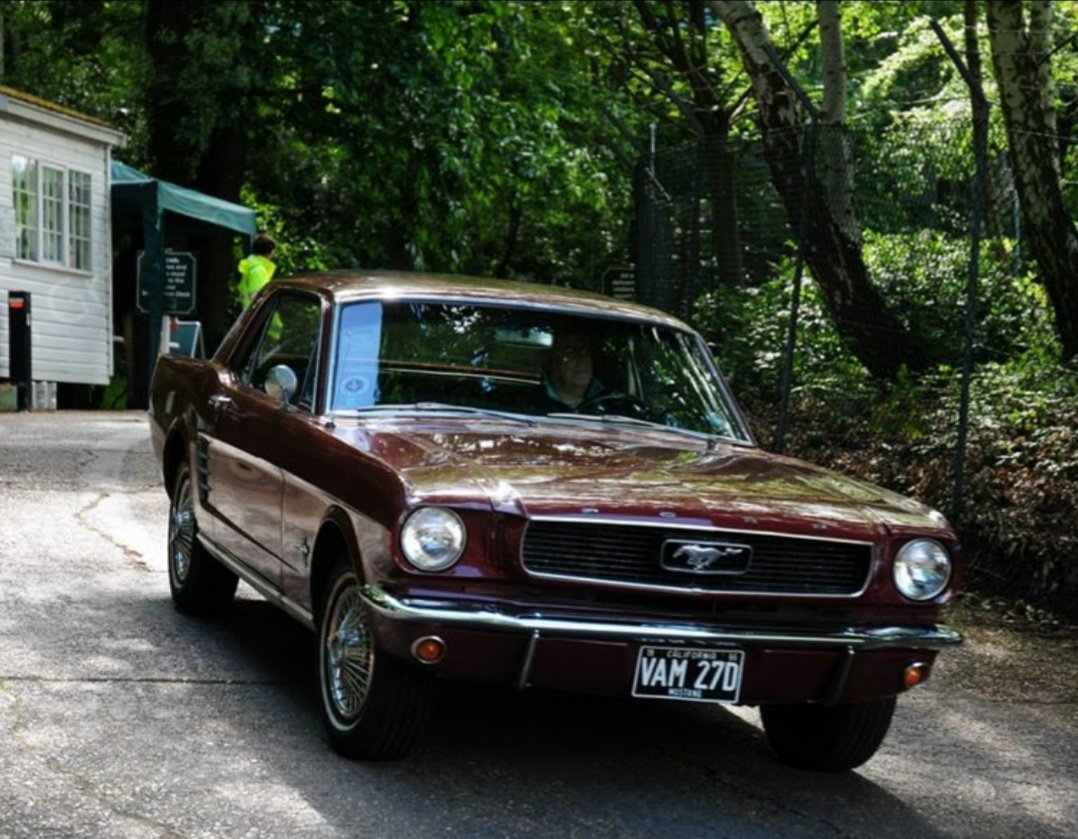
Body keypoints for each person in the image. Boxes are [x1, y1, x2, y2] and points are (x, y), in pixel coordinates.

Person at [537, 328, 607, 412]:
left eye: (587, 351)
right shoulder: (529, 403)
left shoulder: (613, 402)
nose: (582, 359)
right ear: (552, 359)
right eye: (571, 352)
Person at [236, 233, 278, 310]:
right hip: (255, 318)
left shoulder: (252, 267)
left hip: (249, 316)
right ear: (271, 252)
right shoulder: (258, 271)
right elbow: (260, 302)